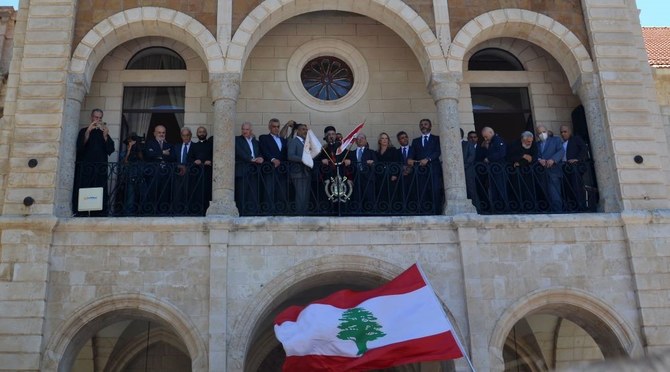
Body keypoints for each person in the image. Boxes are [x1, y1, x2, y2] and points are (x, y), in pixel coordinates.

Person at [73, 108, 115, 216]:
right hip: (85, 167)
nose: (98, 120)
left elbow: (111, 149)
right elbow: (80, 147)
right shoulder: (84, 131)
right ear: (91, 117)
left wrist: (105, 136)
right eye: (96, 117)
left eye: (100, 118)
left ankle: (98, 213)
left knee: (99, 190)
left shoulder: (103, 132)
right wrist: (88, 131)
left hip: (100, 168)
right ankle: (82, 212)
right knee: (84, 189)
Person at [410, 119, 442, 214]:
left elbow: (438, 151)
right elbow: (413, 154)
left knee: (435, 189)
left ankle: (436, 212)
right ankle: (424, 211)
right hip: (420, 170)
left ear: (430, 126)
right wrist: (410, 159)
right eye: (421, 124)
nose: (423, 126)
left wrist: (428, 159)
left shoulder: (436, 138)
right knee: (422, 190)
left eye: (425, 124)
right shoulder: (415, 141)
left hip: (434, 168)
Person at [142, 124, 175, 215]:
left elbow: (172, 157)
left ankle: (163, 213)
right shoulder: (149, 143)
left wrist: (157, 155)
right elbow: (148, 155)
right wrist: (163, 153)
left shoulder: (169, 145)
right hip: (153, 174)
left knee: (164, 195)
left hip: (165, 174)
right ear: (154, 133)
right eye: (159, 132)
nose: (161, 134)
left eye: (163, 132)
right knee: (152, 195)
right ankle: (151, 214)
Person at [259, 118, 288, 212]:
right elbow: (264, 150)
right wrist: (272, 159)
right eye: (274, 126)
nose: (276, 128)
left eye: (278, 126)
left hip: (282, 170)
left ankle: (280, 212)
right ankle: (268, 212)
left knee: (281, 192)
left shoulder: (283, 140)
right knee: (269, 191)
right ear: (269, 127)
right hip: (270, 169)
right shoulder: (264, 137)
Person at [235, 122, 264, 214]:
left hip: (254, 170)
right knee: (242, 193)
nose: (244, 131)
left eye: (247, 129)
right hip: (242, 170)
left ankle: (252, 213)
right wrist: (251, 159)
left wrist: (261, 158)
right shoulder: (237, 140)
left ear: (251, 130)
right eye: (243, 129)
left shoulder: (255, 141)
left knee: (253, 193)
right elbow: (239, 152)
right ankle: (241, 213)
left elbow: (259, 152)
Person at [506, 131, 537, 212]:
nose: (529, 143)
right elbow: (510, 157)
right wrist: (523, 155)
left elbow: (533, 158)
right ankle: (518, 208)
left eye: (531, 141)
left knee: (530, 190)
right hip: (515, 173)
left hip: (529, 172)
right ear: (522, 140)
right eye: (527, 141)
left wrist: (520, 162)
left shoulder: (533, 145)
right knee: (517, 189)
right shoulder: (514, 144)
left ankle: (531, 208)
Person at [536, 125, 565, 212]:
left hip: (554, 171)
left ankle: (558, 214)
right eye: (539, 133)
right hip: (542, 173)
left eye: (543, 132)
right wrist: (539, 160)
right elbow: (535, 155)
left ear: (547, 131)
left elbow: (561, 151)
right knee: (546, 194)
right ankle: (551, 213)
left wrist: (553, 159)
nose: (542, 134)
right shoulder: (537, 144)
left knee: (555, 194)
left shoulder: (555, 140)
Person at [560, 124, 589, 211]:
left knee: (577, 187)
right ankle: (573, 207)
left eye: (565, 131)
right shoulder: (562, 143)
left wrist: (577, 159)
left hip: (575, 167)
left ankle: (581, 207)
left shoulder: (576, 139)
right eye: (561, 132)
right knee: (568, 188)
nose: (563, 134)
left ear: (569, 131)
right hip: (565, 168)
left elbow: (584, 148)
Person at [480, 126, 507, 212]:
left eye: (486, 136)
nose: (485, 138)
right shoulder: (490, 142)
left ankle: (503, 208)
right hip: (493, 170)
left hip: (499, 169)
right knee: (494, 189)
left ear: (491, 133)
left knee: (500, 188)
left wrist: (489, 158)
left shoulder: (498, 140)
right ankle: (497, 207)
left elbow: (501, 153)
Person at [287, 124, 312, 214]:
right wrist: (303, 159)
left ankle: (304, 213)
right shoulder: (294, 141)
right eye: (303, 129)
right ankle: (300, 214)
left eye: (306, 129)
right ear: (297, 131)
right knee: (300, 195)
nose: (305, 131)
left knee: (306, 195)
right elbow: (290, 155)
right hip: (298, 172)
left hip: (306, 172)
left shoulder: (306, 142)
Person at [189, 126, 213, 214]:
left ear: (206, 133)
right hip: (197, 173)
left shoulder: (211, 145)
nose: (201, 133)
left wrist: (210, 161)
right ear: (197, 134)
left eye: (203, 132)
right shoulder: (194, 146)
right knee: (197, 192)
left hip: (208, 173)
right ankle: (197, 211)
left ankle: (207, 211)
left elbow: (216, 156)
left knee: (207, 192)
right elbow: (189, 158)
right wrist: (195, 161)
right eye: (199, 132)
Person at [351, 133, 377, 212]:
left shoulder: (371, 152)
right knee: (356, 198)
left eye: (362, 138)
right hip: (356, 179)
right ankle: (357, 214)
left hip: (368, 179)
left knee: (369, 198)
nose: (360, 139)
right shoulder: (351, 153)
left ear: (366, 141)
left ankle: (371, 214)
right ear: (355, 141)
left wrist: (372, 163)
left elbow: (377, 164)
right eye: (358, 138)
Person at [119, 132, 143, 215]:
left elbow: (143, 159)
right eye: (130, 142)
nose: (132, 143)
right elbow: (124, 162)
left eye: (133, 141)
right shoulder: (123, 153)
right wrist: (129, 151)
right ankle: (128, 214)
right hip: (129, 178)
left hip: (140, 177)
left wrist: (138, 148)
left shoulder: (139, 152)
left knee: (141, 196)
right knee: (130, 197)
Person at [376, 132, 400, 210]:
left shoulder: (393, 150)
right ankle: (383, 210)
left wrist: (395, 174)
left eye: (386, 138)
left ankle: (393, 210)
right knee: (382, 193)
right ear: (379, 141)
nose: (384, 140)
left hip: (391, 176)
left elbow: (396, 162)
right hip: (380, 177)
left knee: (391, 193)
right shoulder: (377, 152)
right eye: (382, 138)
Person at [173, 127, 195, 214]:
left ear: (191, 136)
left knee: (189, 193)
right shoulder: (176, 147)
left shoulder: (195, 146)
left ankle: (189, 211)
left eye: (187, 135)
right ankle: (178, 211)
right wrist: (178, 166)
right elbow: (173, 159)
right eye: (183, 135)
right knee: (178, 193)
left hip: (191, 175)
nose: (185, 137)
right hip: (178, 174)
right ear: (181, 136)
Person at [396, 130, 415, 207]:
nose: (405, 139)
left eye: (406, 137)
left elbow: (418, 160)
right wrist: (402, 168)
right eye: (402, 138)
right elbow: (395, 163)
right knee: (402, 194)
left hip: (413, 176)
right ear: (399, 140)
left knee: (413, 194)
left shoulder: (414, 149)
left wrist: (411, 167)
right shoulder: (396, 151)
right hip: (401, 177)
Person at [461, 129, 478, 209]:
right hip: (456, 174)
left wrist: (462, 167)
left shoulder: (468, 143)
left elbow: (471, 156)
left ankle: (475, 208)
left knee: (471, 190)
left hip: (468, 171)